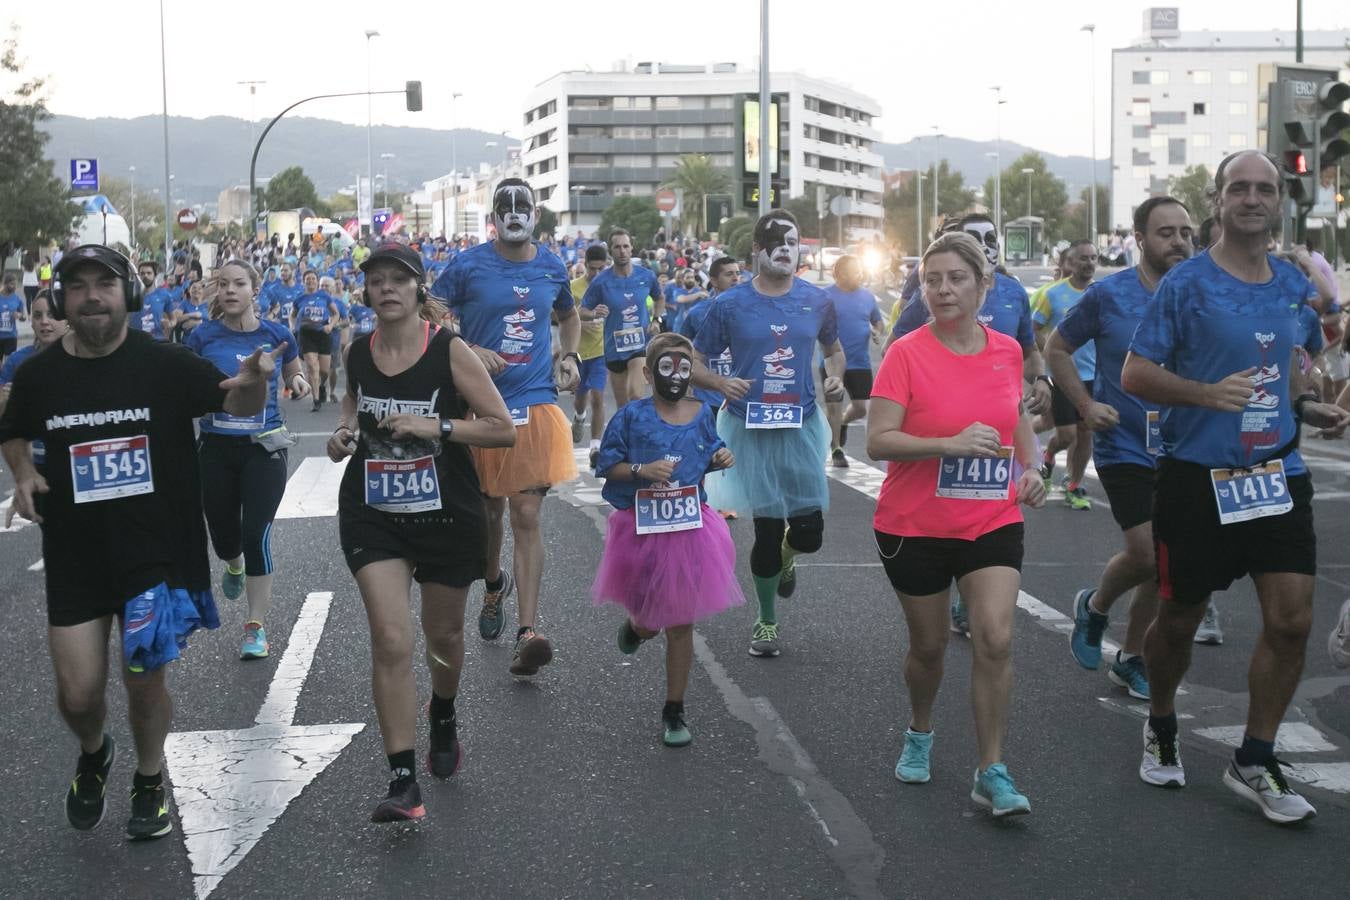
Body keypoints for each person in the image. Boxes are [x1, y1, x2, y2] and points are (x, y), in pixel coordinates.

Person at [0, 244, 280, 842]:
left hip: (154, 552)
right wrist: (23, 473)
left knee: (143, 680)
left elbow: (235, 398)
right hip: (75, 554)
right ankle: (96, 751)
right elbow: (15, 431)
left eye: (105, 284)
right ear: (60, 300)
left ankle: (149, 778)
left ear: (128, 295)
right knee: (77, 695)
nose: (92, 296)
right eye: (78, 287)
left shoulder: (165, 364)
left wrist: (255, 382)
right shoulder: (38, 375)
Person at [1121, 150, 1350, 824]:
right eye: (1239, 188)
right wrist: (1201, 393)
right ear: (1219, 202)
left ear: (1280, 201)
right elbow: (1136, 374)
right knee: (1180, 620)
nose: (1252, 198)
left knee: (1291, 621)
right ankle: (1161, 717)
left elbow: (1293, 370)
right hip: (1197, 477)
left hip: (1278, 472)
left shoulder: (1290, 286)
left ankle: (1255, 756)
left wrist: (1312, 407)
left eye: (1265, 189)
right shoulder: (1187, 284)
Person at [329, 242, 515, 821]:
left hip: (444, 515)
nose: (386, 289)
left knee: (443, 642)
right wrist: (341, 435)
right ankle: (402, 781)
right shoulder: (357, 351)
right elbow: (350, 404)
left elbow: (502, 429)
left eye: (398, 281)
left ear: (417, 290)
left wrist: (434, 424)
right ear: (366, 292)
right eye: (376, 281)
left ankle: (443, 709)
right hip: (374, 511)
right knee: (390, 639)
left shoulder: (451, 351)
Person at [867, 231, 1046, 817]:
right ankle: (920, 729)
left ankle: (991, 768)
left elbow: (1015, 415)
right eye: (932, 280)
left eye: (955, 278)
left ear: (982, 284)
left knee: (995, 635)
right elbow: (878, 441)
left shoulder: (1006, 350)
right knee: (930, 646)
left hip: (991, 517)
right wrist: (948, 444)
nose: (942, 290)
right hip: (913, 524)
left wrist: (1033, 466)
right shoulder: (906, 353)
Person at [430, 178, 581, 676]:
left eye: (524, 206)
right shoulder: (468, 264)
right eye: (506, 207)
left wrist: (570, 352)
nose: (515, 214)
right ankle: (493, 584)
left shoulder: (551, 265)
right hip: (479, 404)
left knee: (527, 514)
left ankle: (528, 630)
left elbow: (568, 314)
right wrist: (468, 351)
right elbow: (430, 310)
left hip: (534, 399)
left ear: (536, 214)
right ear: (494, 215)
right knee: (490, 513)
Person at [1049, 197, 1195, 701]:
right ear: (1138, 238)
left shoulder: (1201, 293)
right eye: (1165, 232)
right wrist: (1086, 406)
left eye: (1185, 232)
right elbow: (1057, 350)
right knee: (1147, 551)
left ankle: (1130, 657)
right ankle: (1095, 607)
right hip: (1124, 444)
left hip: (1183, 447)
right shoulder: (1108, 295)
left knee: (1164, 559)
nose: (1178, 241)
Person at [691, 210, 846, 658]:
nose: (785, 248)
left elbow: (833, 353)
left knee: (810, 532)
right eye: (774, 241)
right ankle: (766, 620)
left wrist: (834, 378)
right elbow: (695, 363)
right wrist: (720, 384)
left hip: (800, 424)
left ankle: (789, 555)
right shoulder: (729, 305)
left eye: (792, 241)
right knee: (765, 526)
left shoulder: (817, 301)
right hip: (747, 425)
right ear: (756, 250)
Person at [591, 333, 743, 747]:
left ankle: (674, 710)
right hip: (641, 530)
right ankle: (639, 628)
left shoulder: (703, 411)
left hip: (691, 529)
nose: (675, 376)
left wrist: (720, 457)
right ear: (647, 372)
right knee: (652, 620)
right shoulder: (631, 416)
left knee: (681, 623)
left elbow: (709, 451)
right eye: (666, 367)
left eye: (683, 367)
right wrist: (641, 469)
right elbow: (608, 466)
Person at [185, 261, 307, 660]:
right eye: (223, 285)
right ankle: (233, 564)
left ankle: (255, 627)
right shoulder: (201, 337)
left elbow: (295, 376)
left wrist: (299, 383)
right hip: (216, 449)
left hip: (264, 448)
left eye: (239, 284)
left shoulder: (278, 334)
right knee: (224, 536)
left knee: (257, 533)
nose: (230, 291)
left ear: (255, 289)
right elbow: (184, 386)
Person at [1034, 239, 1097, 510]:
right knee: (1067, 435)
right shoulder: (1054, 294)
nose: (1089, 263)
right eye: (1083, 258)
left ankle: (1074, 484)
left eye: (1094, 258)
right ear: (1071, 262)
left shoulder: (1100, 294)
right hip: (1062, 375)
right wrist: (1048, 355)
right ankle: (1048, 454)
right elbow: (1035, 328)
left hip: (1093, 374)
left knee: (1086, 433)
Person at [581, 228, 664, 407]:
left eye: (626, 246)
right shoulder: (601, 282)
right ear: (611, 251)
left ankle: (638, 433)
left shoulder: (646, 276)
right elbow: (582, 311)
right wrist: (594, 314)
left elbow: (660, 298)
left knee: (635, 395)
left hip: (640, 345)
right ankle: (626, 433)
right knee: (622, 406)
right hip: (614, 348)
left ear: (631, 248)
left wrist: (656, 319)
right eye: (617, 247)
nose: (622, 251)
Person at [823, 255, 883, 468]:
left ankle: (844, 423)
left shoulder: (867, 296)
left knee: (860, 408)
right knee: (833, 408)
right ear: (839, 274)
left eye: (859, 270)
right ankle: (837, 449)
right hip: (832, 363)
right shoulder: (826, 296)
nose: (859, 274)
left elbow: (877, 321)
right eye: (853, 271)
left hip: (860, 362)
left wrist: (876, 332)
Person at [570, 244, 610, 468]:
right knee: (580, 397)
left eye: (601, 268)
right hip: (577, 351)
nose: (596, 273)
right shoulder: (574, 287)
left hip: (600, 351)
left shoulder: (609, 286)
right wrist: (580, 322)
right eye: (592, 268)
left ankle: (595, 447)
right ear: (585, 266)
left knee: (598, 397)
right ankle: (578, 416)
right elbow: (559, 315)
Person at [293, 270, 340, 413]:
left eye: (313, 279)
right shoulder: (299, 298)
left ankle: (322, 385)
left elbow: (336, 314)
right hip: (306, 334)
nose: (311, 281)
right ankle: (316, 400)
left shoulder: (324, 296)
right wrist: (293, 326)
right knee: (313, 367)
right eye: (308, 279)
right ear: (304, 281)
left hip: (323, 334)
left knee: (325, 370)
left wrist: (330, 326)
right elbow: (292, 315)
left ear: (317, 281)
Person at [132, 261, 174, 342]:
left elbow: (173, 318)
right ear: (139, 276)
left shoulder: (164, 295)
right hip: (135, 342)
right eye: (142, 273)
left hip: (157, 342)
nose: (145, 276)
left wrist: (170, 323)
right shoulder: (131, 295)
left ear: (155, 275)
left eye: (149, 273)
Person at [0, 273, 27, 364]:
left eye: (15, 284)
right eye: (12, 284)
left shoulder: (17, 299)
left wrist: (19, 315)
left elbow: (23, 317)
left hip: (11, 336)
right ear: (5, 283)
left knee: (8, 364)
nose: (14, 287)